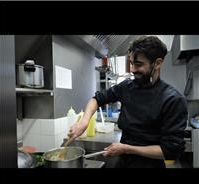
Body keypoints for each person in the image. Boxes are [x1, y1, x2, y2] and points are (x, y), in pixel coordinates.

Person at [68, 36, 188, 168]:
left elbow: (170, 150)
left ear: (157, 63)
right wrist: (84, 121)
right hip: (123, 163)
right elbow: (96, 99)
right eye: (131, 63)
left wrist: (127, 148)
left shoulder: (172, 99)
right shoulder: (126, 87)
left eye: (138, 64)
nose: (132, 69)